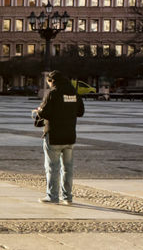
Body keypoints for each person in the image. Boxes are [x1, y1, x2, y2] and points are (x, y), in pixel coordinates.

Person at [33, 70, 85, 205]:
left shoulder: (53, 93)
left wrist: (39, 111)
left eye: (49, 82)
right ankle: (67, 197)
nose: (49, 85)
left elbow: (45, 112)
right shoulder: (74, 93)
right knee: (68, 168)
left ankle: (52, 196)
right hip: (69, 135)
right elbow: (80, 112)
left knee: (52, 167)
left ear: (52, 81)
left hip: (54, 135)